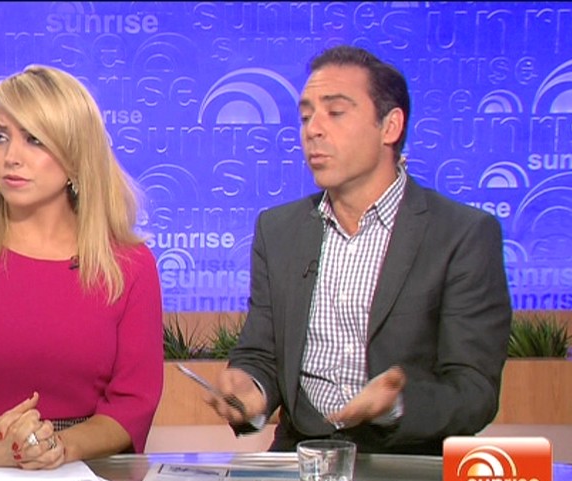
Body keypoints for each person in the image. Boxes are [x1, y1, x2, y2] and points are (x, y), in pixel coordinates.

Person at [205, 46, 512, 455]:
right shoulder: (278, 231)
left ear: (390, 126)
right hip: (299, 463)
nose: (313, 130)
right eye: (306, 116)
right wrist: (250, 388)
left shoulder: (461, 234)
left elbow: (474, 391)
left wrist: (394, 405)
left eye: (335, 112)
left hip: (404, 467)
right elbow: (262, 353)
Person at [0, 65, 164, 469]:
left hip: (85, 476)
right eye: (0, 137)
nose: (11, 157)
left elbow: (133, 404)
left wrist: (57, 447)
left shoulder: (129, 266)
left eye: (34, 140)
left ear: (76, 156)